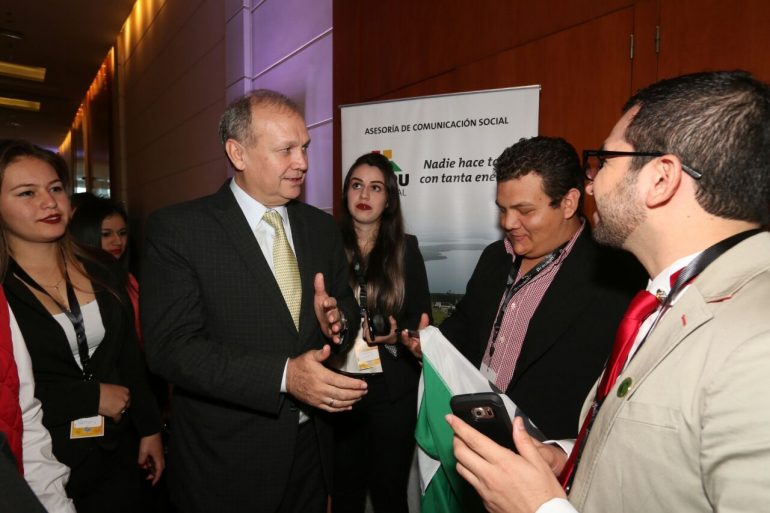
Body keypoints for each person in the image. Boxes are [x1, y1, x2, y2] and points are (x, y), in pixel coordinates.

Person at [447, 70, 770, 513]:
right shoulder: (664, 298)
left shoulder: (756, 341)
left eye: (605, 161)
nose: (592, 183)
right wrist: (565, 456)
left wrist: (540, 508)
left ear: (661, 178)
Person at [141, 89, 367, 513]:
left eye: (305, 147)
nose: (302, 162)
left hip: (311, 453)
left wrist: (337, 321)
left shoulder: (320, 227)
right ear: (238, 153)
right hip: (226, 463)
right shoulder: (180, 231)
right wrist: (284, 376)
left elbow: (346, 307)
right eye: (286, 150)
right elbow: (171, 349)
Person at [405, 136, 640, 440]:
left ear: (568, 203)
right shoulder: (495, 256)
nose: (508, 222)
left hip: (545, 452)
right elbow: (466, 324)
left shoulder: (616, 278)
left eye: (524, 210)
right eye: (502, 209)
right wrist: (431, 345)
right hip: (475, 431)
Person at [0, 140, 164, 513]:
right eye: (27, 193)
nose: (49, 202)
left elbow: (128, 358)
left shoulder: (102, 267)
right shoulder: (3, 291)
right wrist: (89, 397)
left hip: (116, 446)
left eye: (56, 188)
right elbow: (10, 393)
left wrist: (150, 428)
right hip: (45, 458)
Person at [329, 152, 431, 512]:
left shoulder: (406, 249)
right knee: (344, 493)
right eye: (357, 185)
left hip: (391, 389)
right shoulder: (325, 244)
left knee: (389, 494)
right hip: (338, 388)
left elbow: (421, 319)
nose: (364, 195)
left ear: (388, 199)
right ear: (346, 193)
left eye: (375, 188)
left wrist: (395, 336)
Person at [69, 197, 141, 346]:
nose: (118, 241)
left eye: (122, 233)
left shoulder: (128, 278)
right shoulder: (77, 281)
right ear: (86, 235)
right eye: (106, 234)